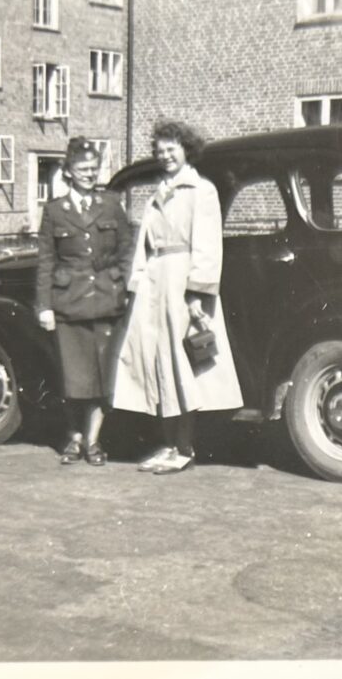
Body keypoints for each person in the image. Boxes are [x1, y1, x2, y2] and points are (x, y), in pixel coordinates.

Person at [112, 120, 243, 474]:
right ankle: (167, 443)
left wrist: (197, 294)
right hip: (154, 287)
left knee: (182, 365)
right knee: (155, 364)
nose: (165, 155)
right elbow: (144, 245)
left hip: (182, 286)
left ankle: (184, 447)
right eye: (160, 150)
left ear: (187, 150)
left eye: (172, 148)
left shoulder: (202, 190)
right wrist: (136, 283)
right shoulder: (159, 192)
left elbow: (207, 246)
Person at [35, 137, 134, 466]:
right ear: (68, 172)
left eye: (93, 169)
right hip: (69, 304)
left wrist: (120, 281)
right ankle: (73, 439)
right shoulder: (54, 211)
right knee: (72, 378)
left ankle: (93, 442)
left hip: (106, 301)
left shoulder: (110, 205)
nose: (89, 174)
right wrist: (44, 306)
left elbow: (127, 249)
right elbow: (47, 261)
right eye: (82, 169)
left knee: (101, 377)